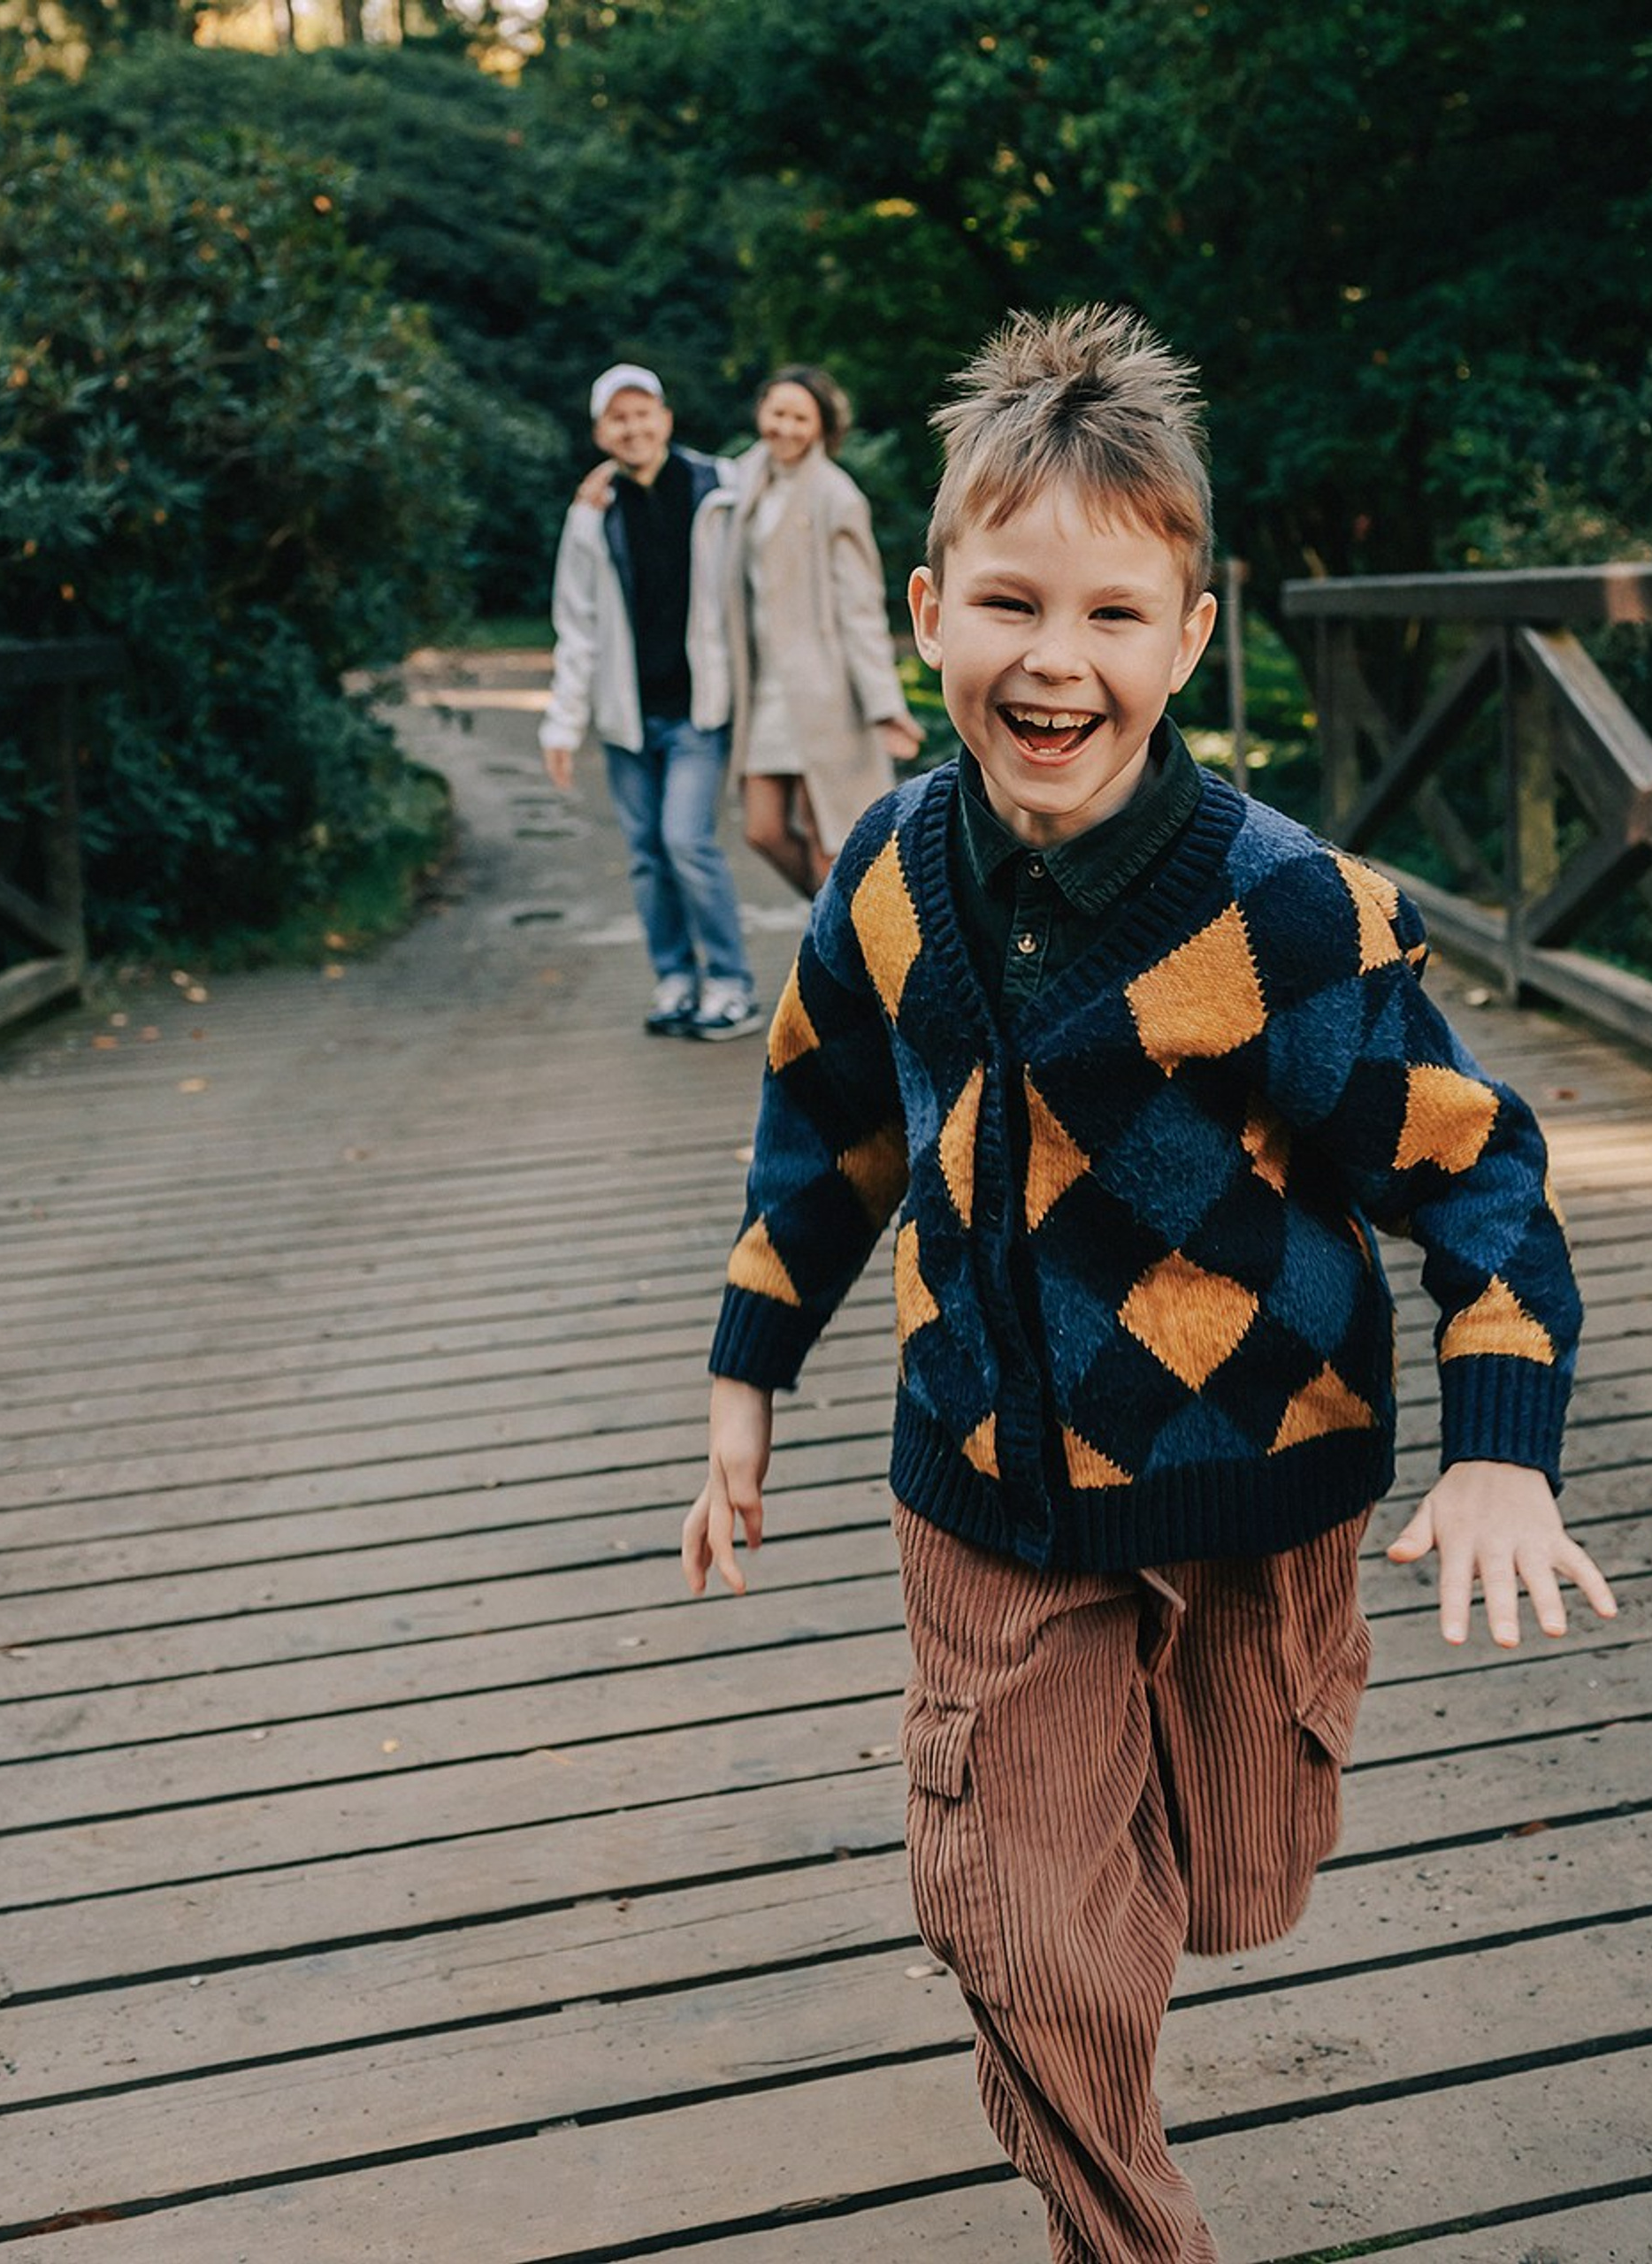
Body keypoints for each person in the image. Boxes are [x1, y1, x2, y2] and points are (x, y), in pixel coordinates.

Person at [680, 305, 1617, 2262]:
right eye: (1008, 603)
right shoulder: (883, 870)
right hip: (988, 1477)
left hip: (1257, 1473)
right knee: (1024, 1927)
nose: (1052, 659)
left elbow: (1474, 1163)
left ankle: (1148, 1851)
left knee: (1234, 1880)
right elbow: (827, 1119)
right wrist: (744, 1377)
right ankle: (1122, 2226)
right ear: (928, 607)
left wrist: (1501, 1440)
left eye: (1112, 616)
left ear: (1189, 640)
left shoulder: (1277, 905)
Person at [541, 363, 764, 1042]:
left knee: (686, 841)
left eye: (644, 414)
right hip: (627, 716)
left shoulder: (719, 488)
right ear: (600, 431)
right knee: (644, 851)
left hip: (700, 707)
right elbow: (575, 624)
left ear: (665, 418)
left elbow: (779, 472)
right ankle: (675, 977)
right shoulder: (591, 516)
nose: (633, 428)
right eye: (618, 418)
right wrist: (562, 722)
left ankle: (730, 984)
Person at [727, 364, 925, 898]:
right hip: (764, 691)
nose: (786, 428)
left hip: (825, 692)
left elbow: (860, 609)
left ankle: (837, 959)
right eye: (777, 413)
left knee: (830, 839)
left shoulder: (837, 496)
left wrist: (885, 706)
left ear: (819, 426)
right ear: (760, 413)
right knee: (762, 830)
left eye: (800, 417)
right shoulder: (741, 481)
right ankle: (842, 928)